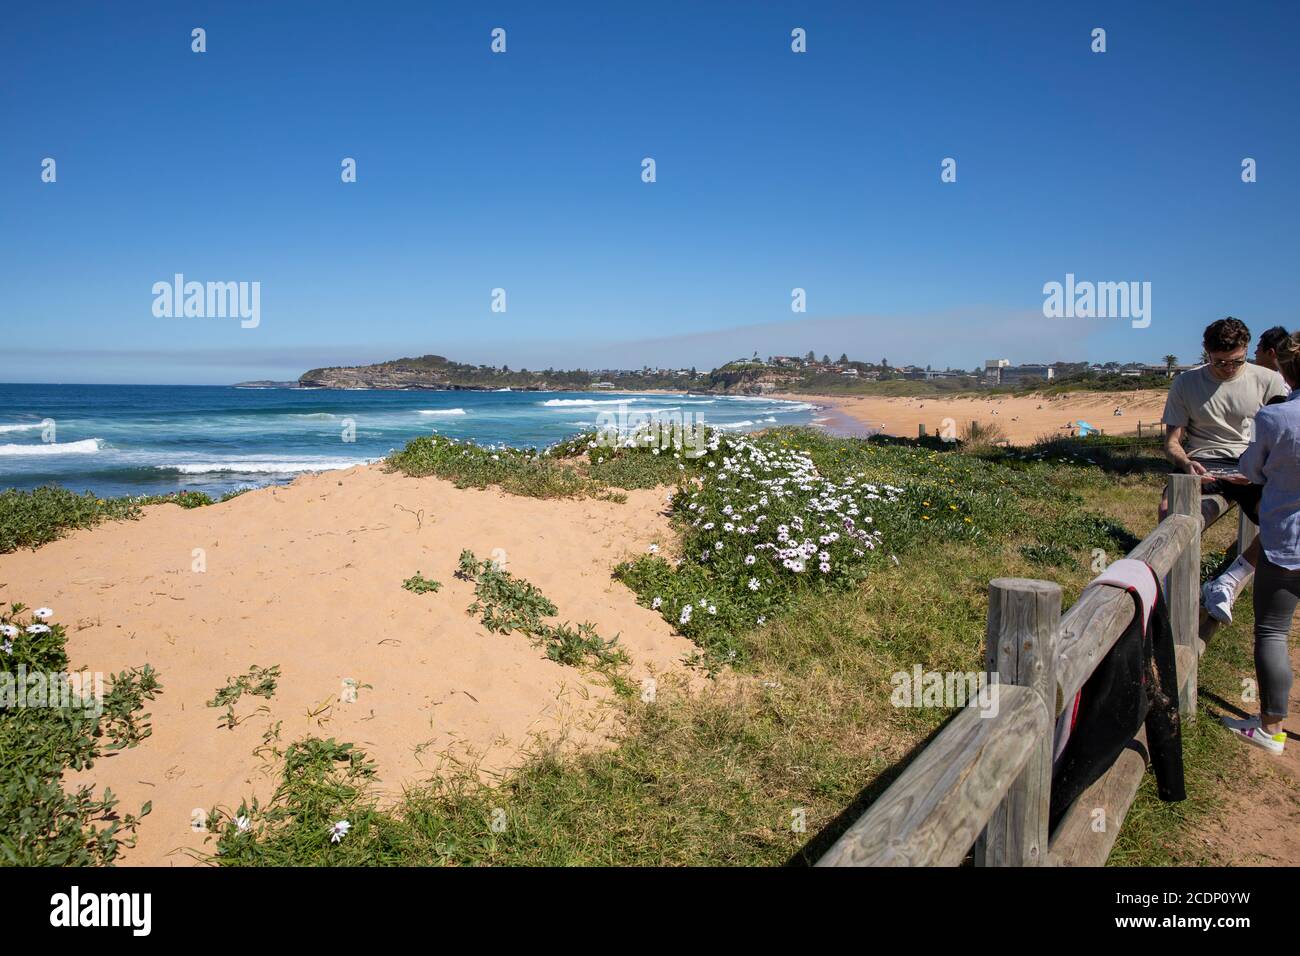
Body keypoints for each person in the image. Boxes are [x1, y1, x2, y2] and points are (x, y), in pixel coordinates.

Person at [1159, 318, 1288, 623]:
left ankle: (1229, 580)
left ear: (1246, 351)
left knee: (1282, 520)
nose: (1229, 369)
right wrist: (1186, 463)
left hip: (1250, 465)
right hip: (1202, 462)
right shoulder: (1186, 383)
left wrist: (1261, 466)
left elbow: (1279, 436)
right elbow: (1172, 443)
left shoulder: (1268, 380)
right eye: (1220, 362)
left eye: (1237, 362)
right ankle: (1172, 592)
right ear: (1206, 352)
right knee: (1168, 512)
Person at [1219, 331, 1300, 753]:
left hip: (1287, 544)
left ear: (1284, 369)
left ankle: (1271, 729)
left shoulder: (1277, 417)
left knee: (1273, 632)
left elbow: (1252, 469)